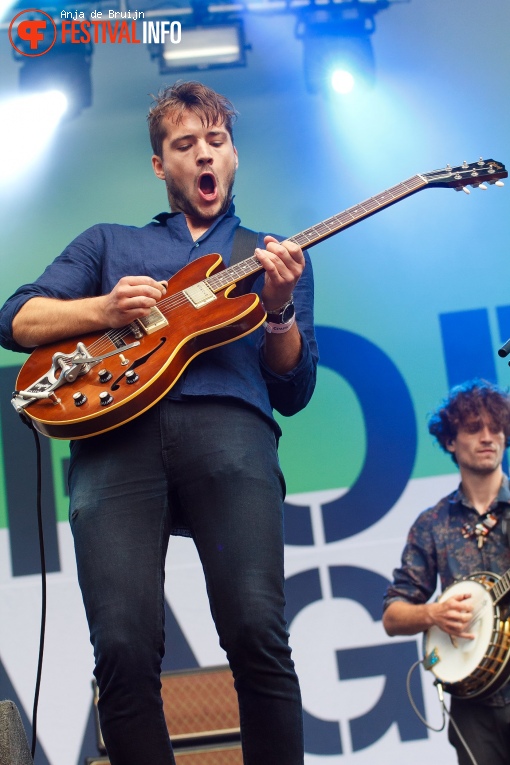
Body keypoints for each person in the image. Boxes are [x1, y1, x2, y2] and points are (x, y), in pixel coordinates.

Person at [0, 81, 318, 765]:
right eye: (185, 144)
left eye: (216, 141)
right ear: (160, 166)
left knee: (259, 628)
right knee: (119, 644)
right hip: (115, 441)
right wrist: (104, 310)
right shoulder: (109, 245)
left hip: (230, 432)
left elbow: (292, 387)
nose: (204, 155)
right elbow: (17, 318)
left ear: (232, 155)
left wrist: (280, 306)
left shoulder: (270, 255)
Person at [382, 379, 510, 765]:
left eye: (496, 428)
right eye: (474, 429)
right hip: (472, 703)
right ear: (451, 441)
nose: (488, 437)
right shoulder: (432, 524)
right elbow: (392, 616)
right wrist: (432, 614)